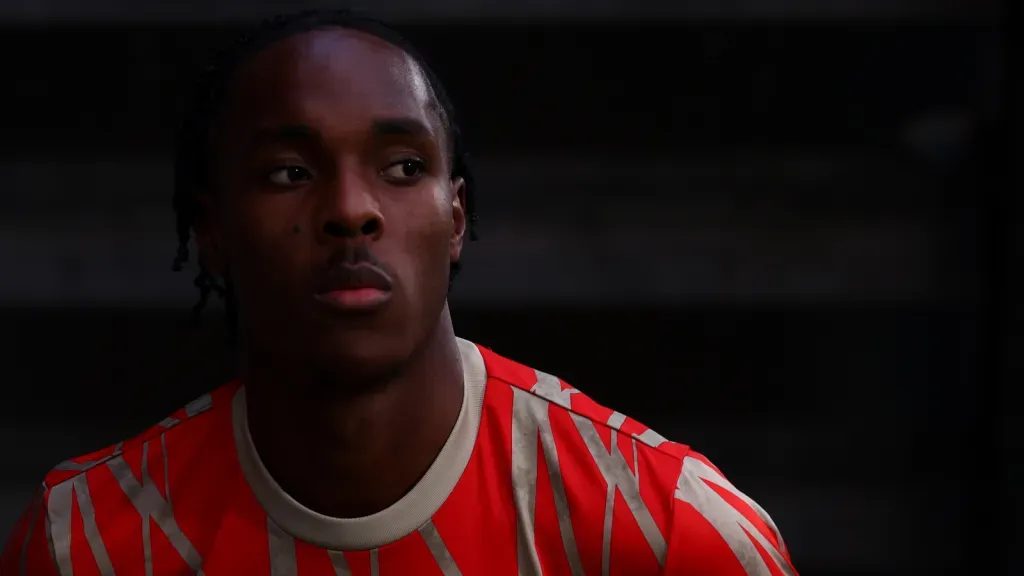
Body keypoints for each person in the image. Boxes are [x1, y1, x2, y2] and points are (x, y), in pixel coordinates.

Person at [0, 11, 798, 576]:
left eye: (403, 167)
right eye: (290, 172)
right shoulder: (88, 545)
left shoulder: (667, 532)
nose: (352, 209)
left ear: (457, 217)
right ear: (212, 230)